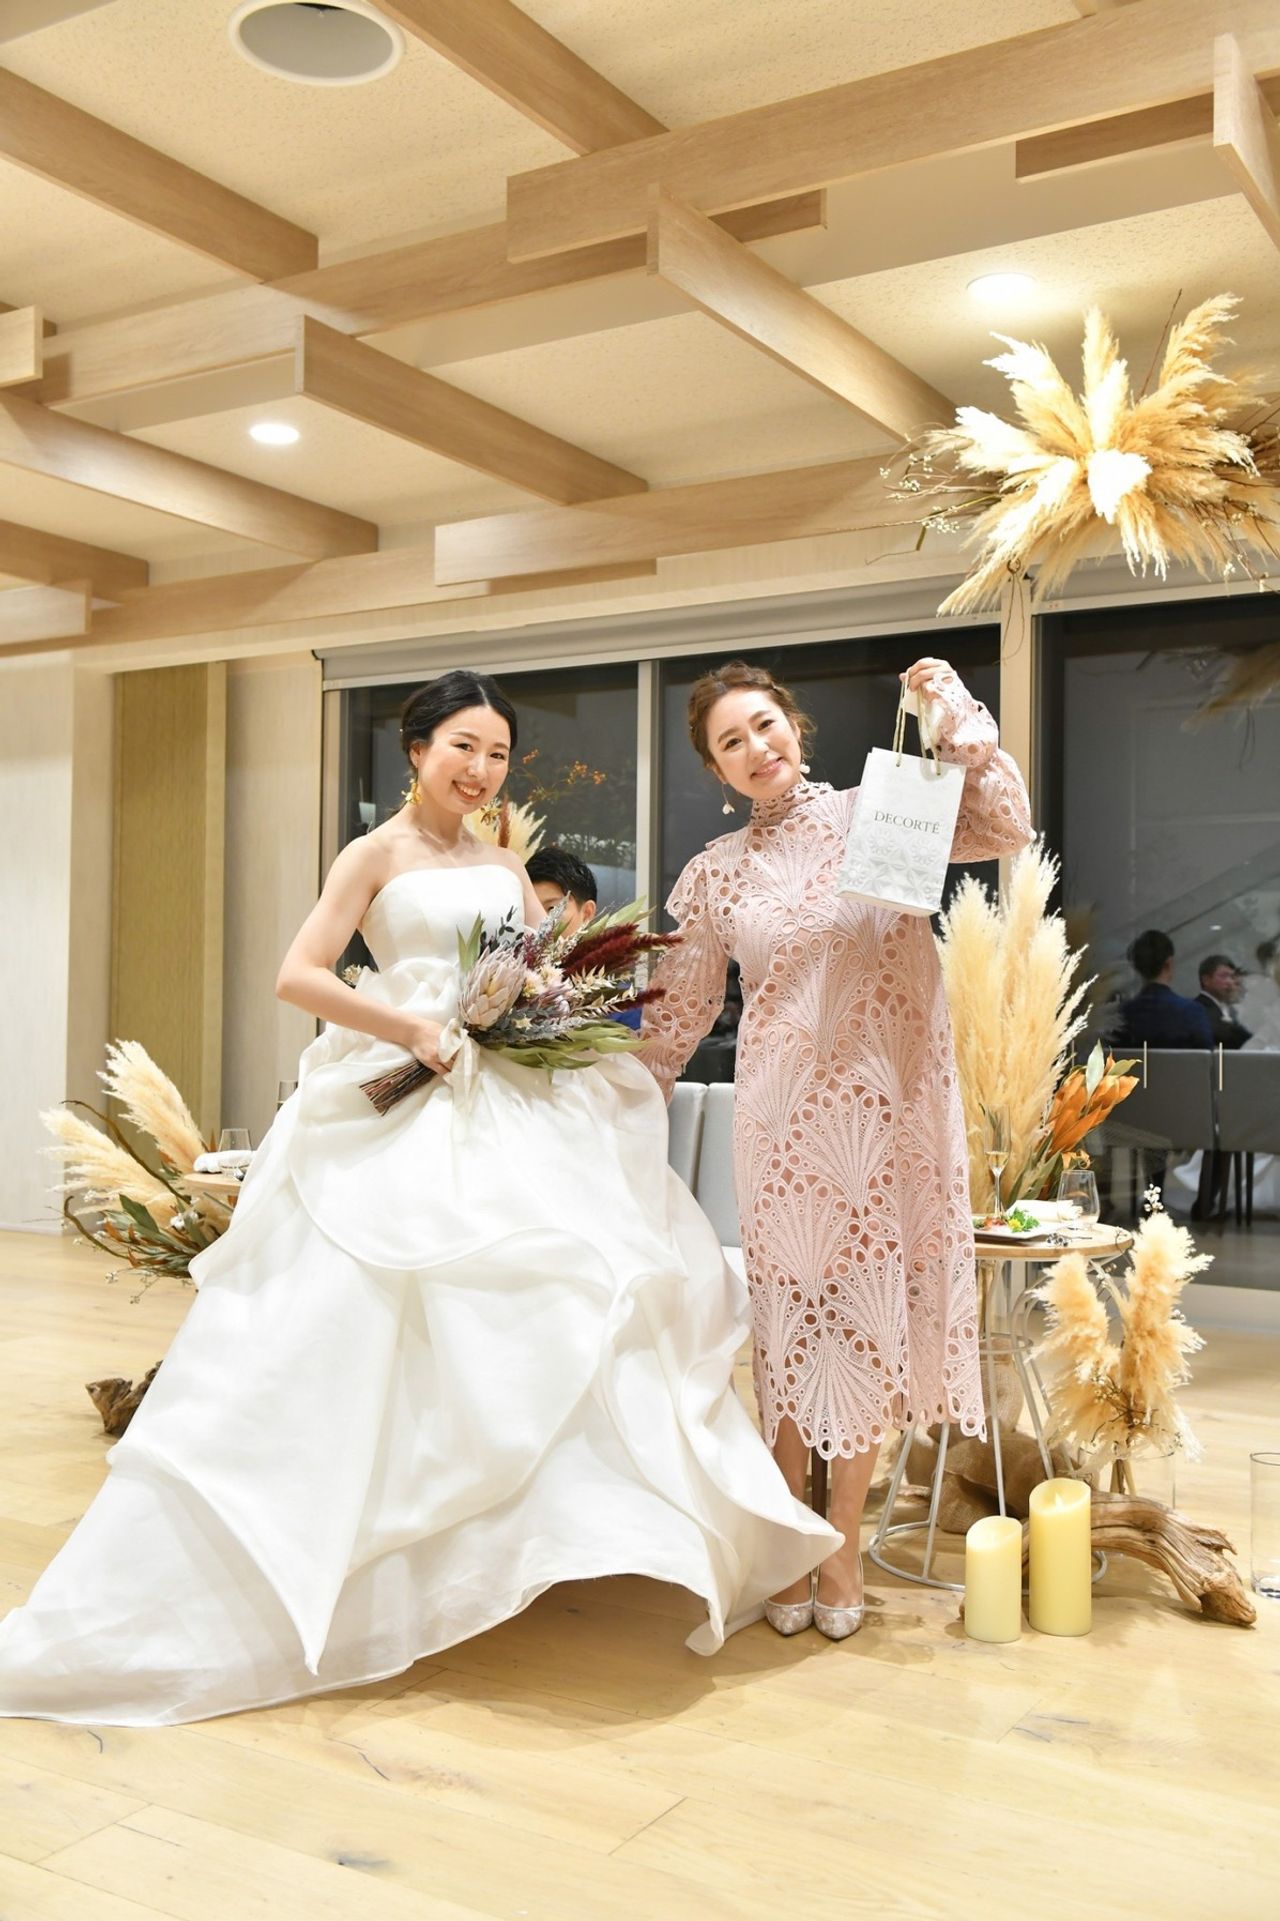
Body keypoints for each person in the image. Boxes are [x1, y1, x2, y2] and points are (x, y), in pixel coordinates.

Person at [0, 671, 838, 1727]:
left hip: (509, 1099)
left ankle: (508, 1541)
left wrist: (537, 1009)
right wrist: (410, 1026)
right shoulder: (373, 854)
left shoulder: (504, 862)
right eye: (461, 747)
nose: (479, 770)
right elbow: (298, 974)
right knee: (366, 1320)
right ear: (416, 749)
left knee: (547, 1306)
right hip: (404, 1097)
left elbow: (533, 968)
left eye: (497, 754)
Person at [642, 656, 1032, 1639]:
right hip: (779, 1124)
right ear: (716, 769)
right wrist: (592, 1094)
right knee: (787, 1333)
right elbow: (678, 1014)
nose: (755, 748)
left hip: (886, 1114)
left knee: (858, 1325)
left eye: (763, 724)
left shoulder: (881, 807)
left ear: (794, 726)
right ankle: (789, 1541)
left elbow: (1003, 823)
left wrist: (952, 710)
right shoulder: (716, 872)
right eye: (730, 742)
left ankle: (841, 1548)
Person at [525, 844, 641, 1028]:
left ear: (587, 913)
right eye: (531, 910)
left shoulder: (622, 1003)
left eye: (553, 908)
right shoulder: (512, 993)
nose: (541, 921)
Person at [1110, 930, 1212, 1050]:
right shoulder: (1193, 1012)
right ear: (1169, 963)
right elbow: (1205, 1057)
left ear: (1137, 967)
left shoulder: (1122, 1014)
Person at [1195, 952, 1252, 1049]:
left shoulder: (1230, 1010)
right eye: (1224, 976)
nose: (1230, 982)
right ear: (1206, 980)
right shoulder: (1198, 1009)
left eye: (1232, 977)